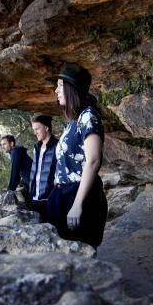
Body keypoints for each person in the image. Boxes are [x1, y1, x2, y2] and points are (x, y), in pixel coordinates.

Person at [46, 63, 108, 248]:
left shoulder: (88, 116)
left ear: (71, 88)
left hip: (79, 195)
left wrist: (77, 204)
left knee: (81, 256)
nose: (56, 90)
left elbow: (94, 160)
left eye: (59, 85)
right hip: (62, 195)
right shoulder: (73, 121)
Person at [29, 115, 58, 220]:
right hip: (34, 199)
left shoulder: (58, 146)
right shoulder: (36, 147)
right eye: (34, 129)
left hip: (50, 200)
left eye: (37, 129)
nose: (35, 132)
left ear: (46, 128)